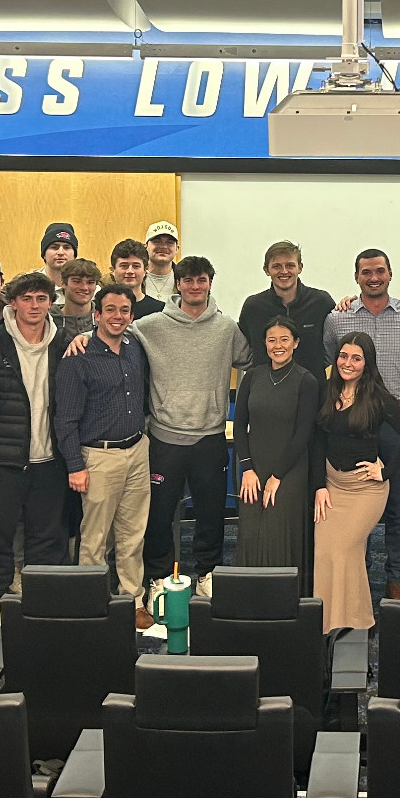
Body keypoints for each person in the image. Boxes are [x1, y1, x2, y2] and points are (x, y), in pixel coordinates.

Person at [128, 256, 250, 606]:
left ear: (210, 283)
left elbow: (255, 358)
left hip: (210, 437)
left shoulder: (227, 328)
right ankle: (159, 578)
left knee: (211, 513)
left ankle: (207, 573)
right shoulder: (151, 325)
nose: (195, 286)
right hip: (164, 438)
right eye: (188, 281)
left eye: (201, 280)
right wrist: (83, 340)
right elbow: (114, 334)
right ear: (177, 284)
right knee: (159, 515)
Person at [0, 272, 69, 641]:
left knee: (47, 539)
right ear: (13, 303)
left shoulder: (66, 344)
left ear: (51, 303)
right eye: (27, 299)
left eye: (42, 299)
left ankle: (44, 605)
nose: (35, 306)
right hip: (2, 463)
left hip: (50, 462)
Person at [323, 249, 400, 599]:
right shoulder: (338, 318)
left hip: (397, 415)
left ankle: (396, 580)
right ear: (357, 277)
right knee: (354, 502)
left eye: (380, 271)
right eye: (366, 272)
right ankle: (357, 579)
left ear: (390, 274)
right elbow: (329, 362)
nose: (374, 277)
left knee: (398, 501)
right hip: (355, 418)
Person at [55, 284, 154, 627]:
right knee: (94, 537)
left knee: (132, 533)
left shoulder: (134, 348)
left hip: (137, 451)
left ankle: (133, 599)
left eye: (124, 311)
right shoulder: (77, 356)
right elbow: (64, 418)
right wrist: (75, 466)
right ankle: (91, 601)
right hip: (98, 457)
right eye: (110, 310)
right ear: (96, 314)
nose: (118, 317)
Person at [314, 331, 400, 634]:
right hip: (332, 487)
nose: (348, 363)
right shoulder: (326, 391)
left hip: (365, 491)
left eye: (356, 358)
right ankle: (329, 619)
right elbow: (317, 441)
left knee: (344, 548)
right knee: (323, 549)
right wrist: (319, 486)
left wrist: (384, 471)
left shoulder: (376, 397)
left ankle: (358, 619)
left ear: (367, 363)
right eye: (343, 356)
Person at [234, 316, 321, 591]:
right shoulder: (252, 377)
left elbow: (303, 434)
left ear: (295, 343)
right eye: (272, 340)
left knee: (278, 530)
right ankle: (251, 597)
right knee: (250, 531)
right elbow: (238, 426)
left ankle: (284, 597)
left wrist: (276, 476)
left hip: (290, 469)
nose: (278, 345)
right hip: (253, 468)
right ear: (265, 344)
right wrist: (247, 468)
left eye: (284, 339)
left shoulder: (306, 380)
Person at [238, 240, 335, 374]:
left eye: (290, 265)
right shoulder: (253, 308)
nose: (284, 271)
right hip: (267, 391)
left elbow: (334, 344)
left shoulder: (321, 303)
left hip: (313, 390)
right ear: (266, 270)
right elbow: (245, 349)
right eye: (277, 266)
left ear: (300, 267)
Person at [109, 238, 166, 320]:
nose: (130, 271)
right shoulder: (101, 307)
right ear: (113, 270)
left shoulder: (160, 310)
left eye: (136, 266)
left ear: (145, 270)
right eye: (124, 266)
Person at [53, 258, 101, 336]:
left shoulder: (105, 317)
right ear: (63, 283)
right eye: (77, 281)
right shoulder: (48, 319)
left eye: (90, 282)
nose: (84, 287)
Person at [143, 220, 179, 301]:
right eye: (156, 241)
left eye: (170, 242)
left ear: (177, 249)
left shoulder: (185, 279)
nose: (163, 246)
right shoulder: (133, 277)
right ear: (146, 246)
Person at [40, 222, 78, 294]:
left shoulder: (87, 288)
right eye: (54, 247)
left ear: (74, 255)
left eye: (66, 247)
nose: (60, 252)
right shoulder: (27, 285)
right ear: (44, 254)